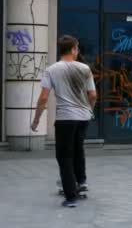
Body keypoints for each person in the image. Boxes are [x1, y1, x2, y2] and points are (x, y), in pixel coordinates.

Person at [31, 35, 97, 208]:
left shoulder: (52, 70)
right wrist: (90, 109)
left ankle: (71, 196)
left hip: (65, 119)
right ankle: (81, 182)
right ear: (73, 49)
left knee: (64, 157)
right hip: (83, 117)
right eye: (77, 48)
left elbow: (43, 98)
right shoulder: (85, 69)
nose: (78, 51)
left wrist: (36, 119)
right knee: (78, 149)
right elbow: (93, 95)